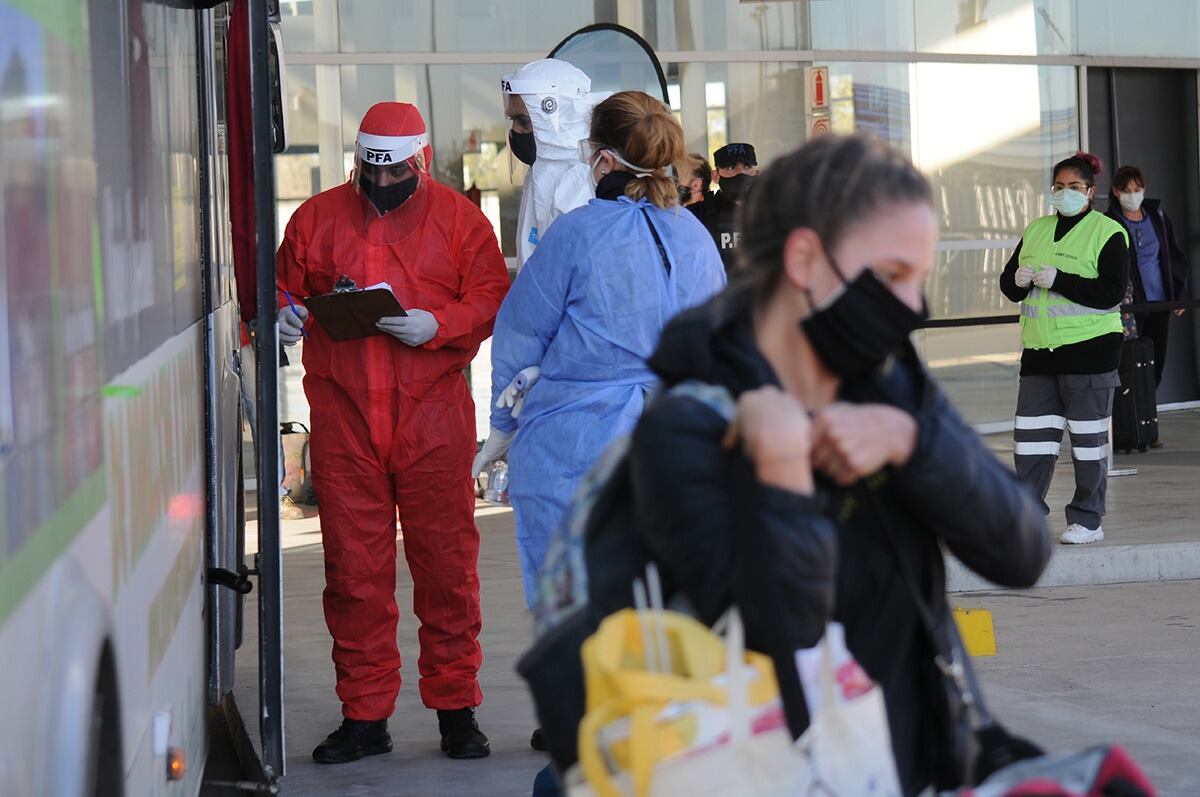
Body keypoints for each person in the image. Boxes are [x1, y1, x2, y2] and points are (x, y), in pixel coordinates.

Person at [524, 134, 1050, 795]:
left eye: (920, 277)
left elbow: (1024, 549)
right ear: (805, 258)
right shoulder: (689, 428)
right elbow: (786, 638)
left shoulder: (890, 383)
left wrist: (910, 443)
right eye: (893, 275)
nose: (914, 305)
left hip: (909, 763)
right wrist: (779, 469)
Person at [275, 101, 510, 764]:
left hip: (431, 418)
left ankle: (456, 710)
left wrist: (440, 323)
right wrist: (286, 316)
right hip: (346, 420)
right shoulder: (316, 217)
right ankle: (365, 715)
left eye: (395, 173)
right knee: (354, 574)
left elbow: (491, 296)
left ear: (422, 160)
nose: (381, 186)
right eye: (369, 174)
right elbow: (282, 287)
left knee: (447, 568)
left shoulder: (460, 221)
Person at [473, 90, 726, 611]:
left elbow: (522, 334)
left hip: (577, 451)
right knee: (668, 620)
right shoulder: (694, 237)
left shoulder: (576, 234)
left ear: (604, 158)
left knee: (584, 621)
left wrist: (501, 426)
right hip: (680, 451)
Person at [1000, 152, 1130, 545]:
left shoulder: (1108, 233)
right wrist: (1018, 281)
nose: (1065, 193)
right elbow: (1008, 286)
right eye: (1058, 187)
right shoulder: (1037, 229)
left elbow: (1110, 293)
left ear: (1090, 192)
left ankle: (1088, 519)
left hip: (1090, 353)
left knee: (1089, 444)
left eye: (1074, 187)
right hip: (1040, 354)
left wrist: (1060, 278)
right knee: (1032, 442)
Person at [502, 58, 608, 270]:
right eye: (512, 121)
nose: (516, 131)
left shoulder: (585, 178)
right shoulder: (539, 174)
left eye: (524, 121)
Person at [1106, 165, 1190, 399]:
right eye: (1126, 190)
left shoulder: (1157, 218)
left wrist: (1179, 294)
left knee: (1156, 360)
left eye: (1137, 189)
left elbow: (1173, 256)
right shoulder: (1109, 222)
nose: (1132, 195)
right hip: (1129, 306)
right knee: (1129, 360)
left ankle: (1146, 414)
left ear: (1144, 189)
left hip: (1159, 302)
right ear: (1115, 191)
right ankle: (1130, 417)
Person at [704, 141, 759, 271]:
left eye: (747, 166)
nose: (741, 173)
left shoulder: (770, 211)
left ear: (757, 173)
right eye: (731, 168)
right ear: (715, 176)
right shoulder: (700, 213)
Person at [677, 152, 713, 220]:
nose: (676, 182)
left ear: (696, 185)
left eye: (680, 176)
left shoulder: (708, 219)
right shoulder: (677, 212)